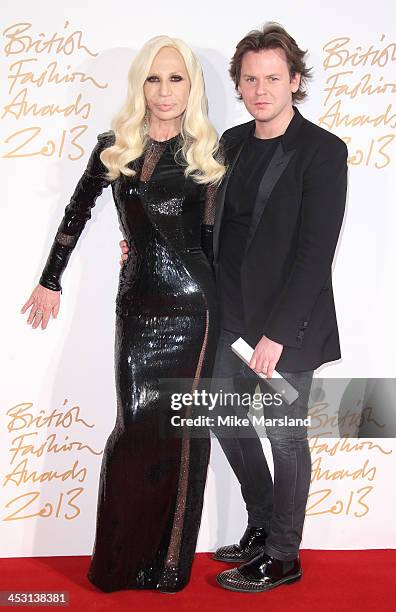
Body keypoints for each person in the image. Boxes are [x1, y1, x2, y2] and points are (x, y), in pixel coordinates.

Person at [120, 22, 348, 594]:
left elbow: (316, 254)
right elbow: (202, 221)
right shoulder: (231, 145)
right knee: (221, 419)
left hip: (289, 326)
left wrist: (278, 334)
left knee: (286, 436)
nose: (261, 88)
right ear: (239, 85)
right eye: (250, 79)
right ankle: (264, 523)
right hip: (231, 316)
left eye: (273, 77)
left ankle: (284, 555)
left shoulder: (322, 151)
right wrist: (143, 240)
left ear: (295, 81)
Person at [21, 35, 225, 593]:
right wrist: (50, 278)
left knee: (182, 434)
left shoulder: (208, 151)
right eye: (154, 79)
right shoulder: (115, 146)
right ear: (140, 84)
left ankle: (165, 567)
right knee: (134, 429)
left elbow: (214, 239)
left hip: (193, 309)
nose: (164, 91)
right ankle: (118, 562)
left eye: (176, 79)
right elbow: (77, 210)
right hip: (136, 305)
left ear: (191, 86)